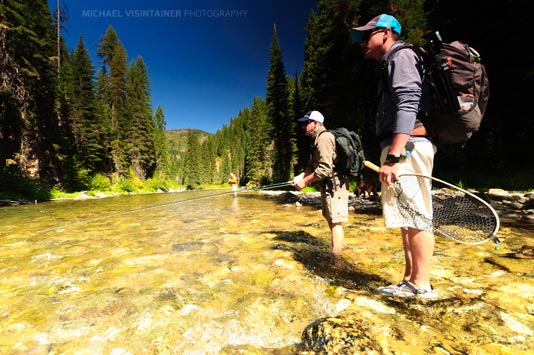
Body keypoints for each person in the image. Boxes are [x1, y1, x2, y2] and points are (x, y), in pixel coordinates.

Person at [351, 14, 438, 298]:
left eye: (367, 35)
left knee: (416, 215)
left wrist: (394, 157)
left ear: (387, 33)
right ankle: (410, 279)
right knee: (406, 216)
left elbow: (408, 101)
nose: (362, 42)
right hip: (403, 146)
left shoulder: (401, 56)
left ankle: (421, 285)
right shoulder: (391, 61)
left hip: (408, 145)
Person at [291, 110, 349, 257]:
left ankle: (337, 260)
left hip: (335, 185)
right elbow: (313, 165)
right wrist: (300, 176)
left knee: (336, 222)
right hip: (328, 185)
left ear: (315, 123)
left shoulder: (324, 138)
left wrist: (304, 182)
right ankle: (337, 250)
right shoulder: (316, 139)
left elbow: (324, 169)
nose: (303, 126)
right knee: (331, 220)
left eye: (306, 123)